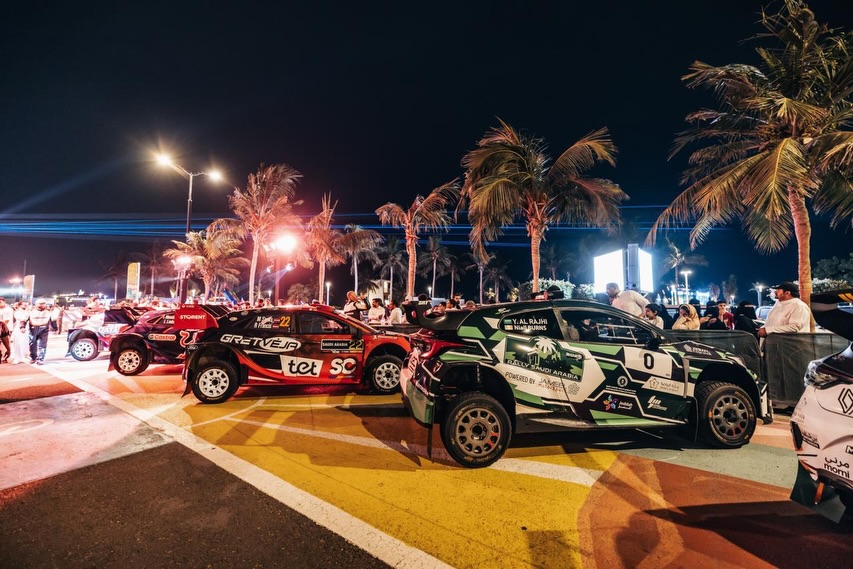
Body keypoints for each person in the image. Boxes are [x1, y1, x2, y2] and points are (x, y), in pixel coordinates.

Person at [27, 298, 53, 364]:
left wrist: (55, 328)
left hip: (44, 329)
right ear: (35, 304)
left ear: (45, 305)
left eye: (43, 304)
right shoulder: (31, 312)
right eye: (39, 304)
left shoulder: (48, 313)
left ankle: (41, 359)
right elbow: (24, 320)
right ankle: (33, 358)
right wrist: (22, 327)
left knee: (42, 345)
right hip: (33, 329)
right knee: (32, 344)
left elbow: (53, 321)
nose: (41, 305)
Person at [0, 297, 12, 363]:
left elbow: (6, 321)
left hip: (5, 329)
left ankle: (4, 358)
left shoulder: (8, 310)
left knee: (4, 345)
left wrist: (8, 349)